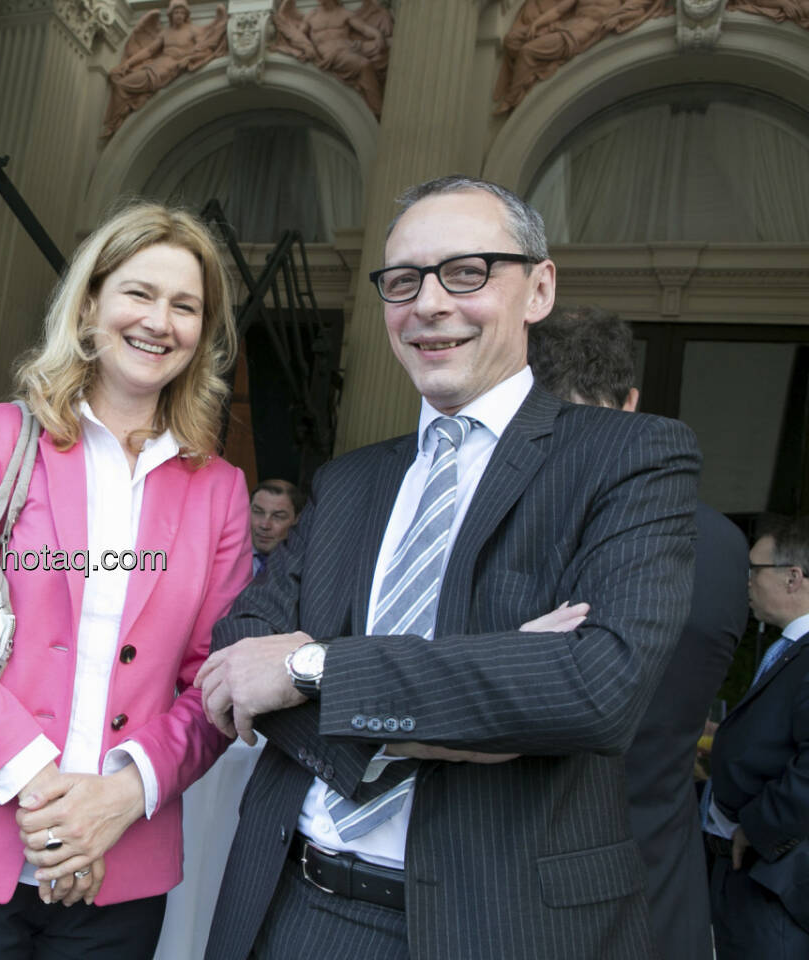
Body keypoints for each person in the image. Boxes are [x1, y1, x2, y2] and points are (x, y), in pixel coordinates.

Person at [197, 175, 699, 960]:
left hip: (498, 924)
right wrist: (486, 694)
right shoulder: (351, 480)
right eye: (404, 281)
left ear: (539, 288)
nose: (429, 303)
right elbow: (238, 654)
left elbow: (591, 691)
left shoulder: (631, 458)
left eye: (466, 272)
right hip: (288, 905)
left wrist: (313, 666)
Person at [0, 202, 252, 959]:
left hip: (121, 864)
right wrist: (35, 778)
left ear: (204, 331)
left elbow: (217, 681)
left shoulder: (220, 489)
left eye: (185, 305)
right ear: (92, 302)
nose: (159, 321)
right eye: (138, 292)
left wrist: (124, 794)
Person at [528, 304, 746, 960]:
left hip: (521, 884)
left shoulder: (522, 529)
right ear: (631, 402)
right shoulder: (725, 542)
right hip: (661, 879)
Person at [703, 515, 809, 958]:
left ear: (792, 578)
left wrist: (757, 830)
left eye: (754, 570)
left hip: (773, 874)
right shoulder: (789, 650)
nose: (747, 582)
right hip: (751, 868)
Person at [249, 479, 305, 576]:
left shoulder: (305, 566)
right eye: (258, 512)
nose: (265, 525)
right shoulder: (224, 556)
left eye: (278, 516)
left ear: (297, 519)